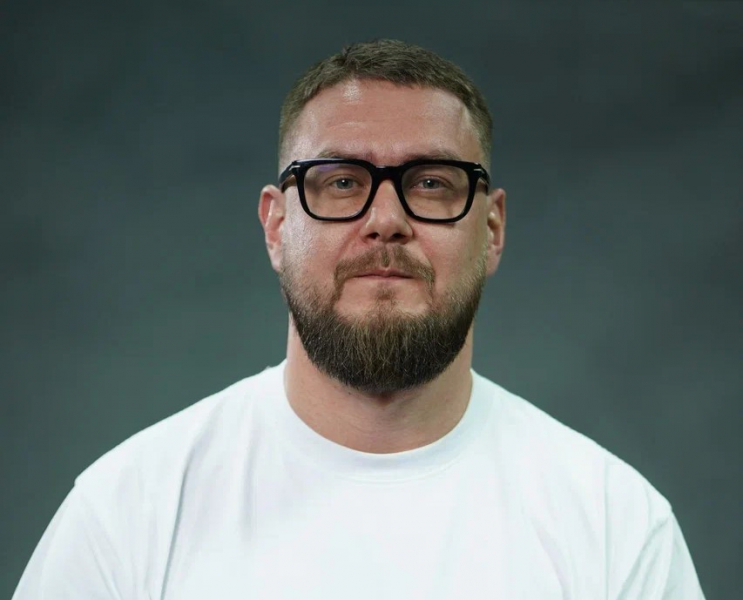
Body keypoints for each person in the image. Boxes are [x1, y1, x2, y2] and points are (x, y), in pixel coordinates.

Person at [13, 39, 705, 599]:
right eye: (342, 181)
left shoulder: (614, 526)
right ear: (276, 226)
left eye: (431, 183)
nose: (385, 220)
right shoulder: (128, 515)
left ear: (491, 229)